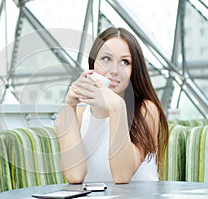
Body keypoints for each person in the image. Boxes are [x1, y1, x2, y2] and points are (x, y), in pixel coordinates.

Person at [55, 27, 169, 184]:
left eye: (125, 62)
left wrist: (116, 107)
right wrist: (69, 106)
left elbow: (122, 177)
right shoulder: (78, 115)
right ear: (93, 64)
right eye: (106, 59)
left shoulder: (146, 110)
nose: (114, 70)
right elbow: (75, 176)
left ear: (133, 70)